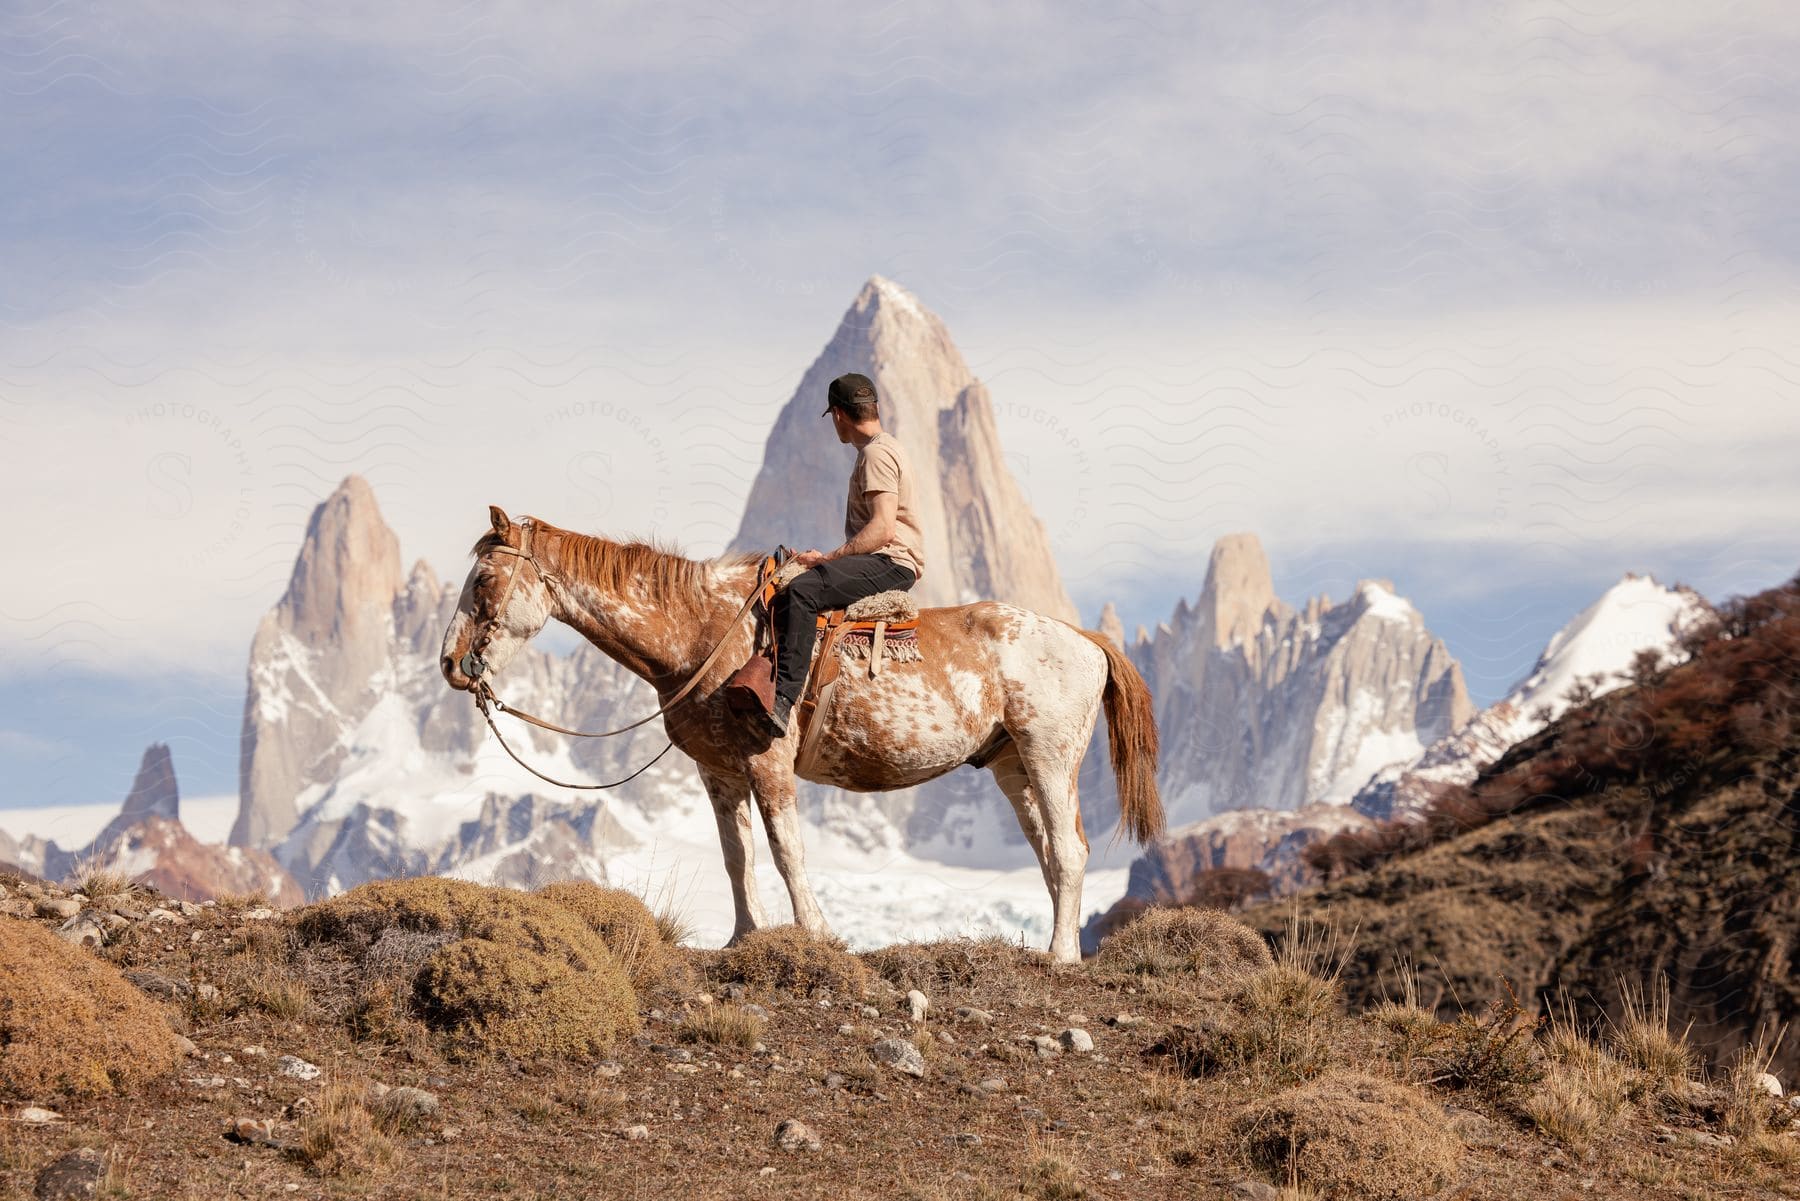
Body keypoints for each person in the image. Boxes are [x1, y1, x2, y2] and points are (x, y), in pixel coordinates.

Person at [767, 372, 925, 735]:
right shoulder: (887, 448)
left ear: (838, 415)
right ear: (874, 409)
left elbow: (883, 528)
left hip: (891, 562)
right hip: (885, 559)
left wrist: (828, 559)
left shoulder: (875, 454)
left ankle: (783, 701)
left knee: (804, 591)